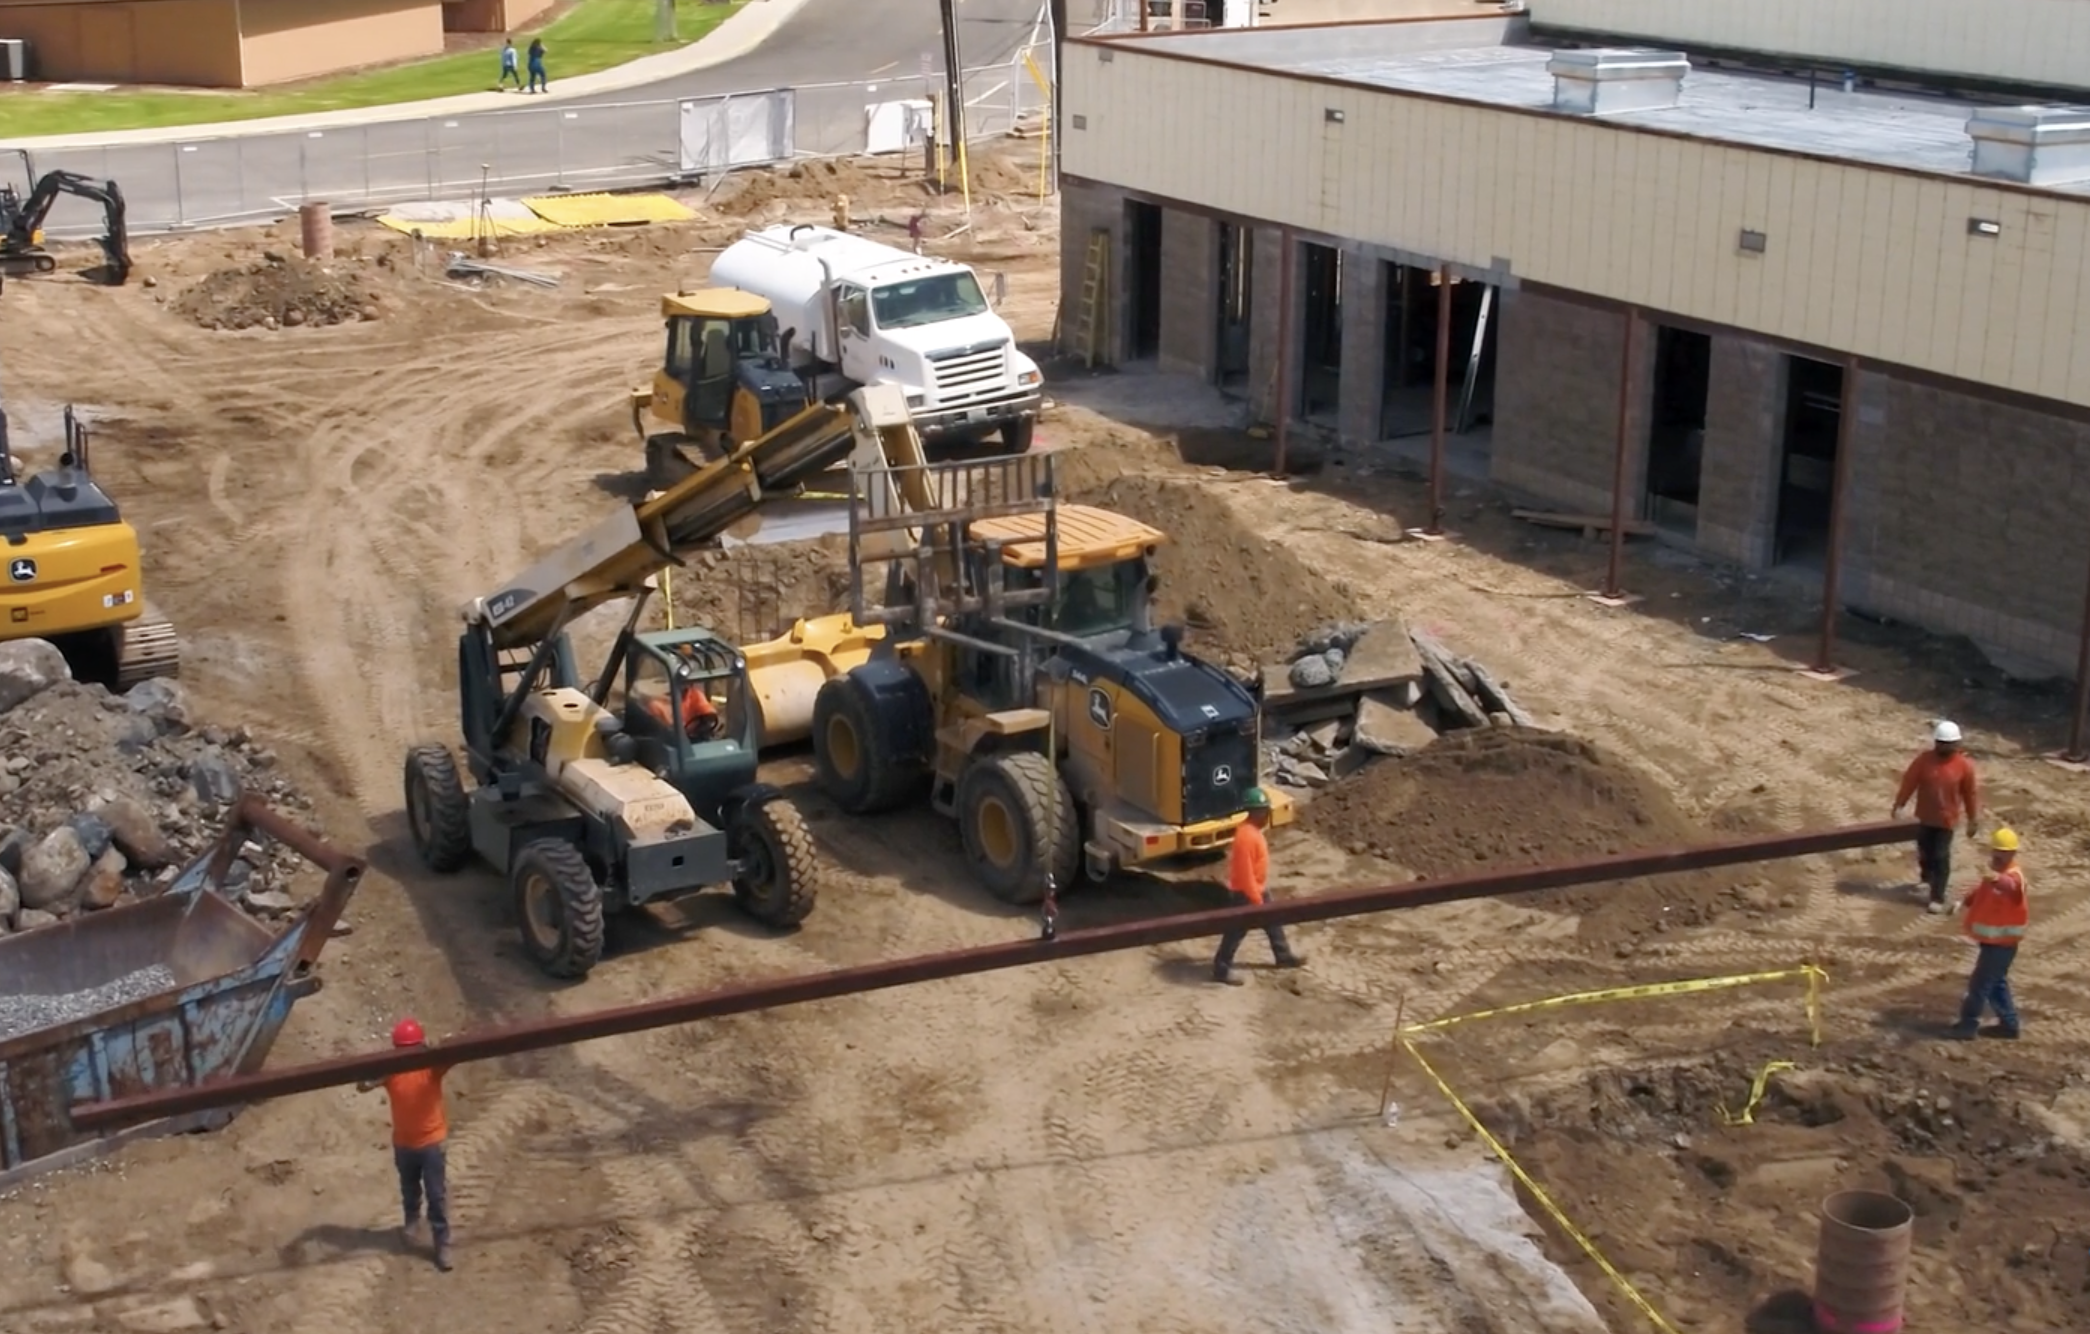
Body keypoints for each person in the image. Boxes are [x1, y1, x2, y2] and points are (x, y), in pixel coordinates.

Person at [356, 1018, 455, 1271]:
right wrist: (379, 1073)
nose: (407, 1055)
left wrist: (438, 1048)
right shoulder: (392, 1072)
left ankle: (442, 1243)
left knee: (436, 1194)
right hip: (404, 1143)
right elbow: (362, 1085)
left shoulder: (431, 1068)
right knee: (409, 1188)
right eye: (403, 1051)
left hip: (431, 1142)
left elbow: (453, 1054)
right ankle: (412, 1220)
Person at [1212, 787, 1306, 985]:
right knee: (1235, 932)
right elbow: (1245, 873)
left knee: (1273, 922)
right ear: (1253, 812)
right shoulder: (1246, 837)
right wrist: (1256, 899)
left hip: (1257, 889)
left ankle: (1283, 956)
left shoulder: (1252, 831)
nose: (1266, 814)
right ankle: (1221, 969)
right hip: (1245, 893)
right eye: (1263, 811)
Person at [1891, 719, 1980, 914]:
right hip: (1924, 817)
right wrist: (1899, 804)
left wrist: (1973, 819)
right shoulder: (1924, 761)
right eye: (1940, 743)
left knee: (1941, 856)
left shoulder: (1963, 766)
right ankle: (1927, 878)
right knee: (1925, 852)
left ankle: (1937, 896)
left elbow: (1970, 793)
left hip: (1946, 821)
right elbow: (1910, 781)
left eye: (1948, 744)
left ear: (1956, 744)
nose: (1943, 747)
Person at [1949, 828, 2027, 1040]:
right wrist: (1962, 902)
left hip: (2003, 944)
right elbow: (1982, 891)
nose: (1998, 855)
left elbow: (2011, 887)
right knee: (1996, 982)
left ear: (2012, 854)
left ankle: (1968, 1025)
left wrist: (1994, 878)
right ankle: (2009, 1025)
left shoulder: (2013, 876)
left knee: (1980, 985)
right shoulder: (1995, 873)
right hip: (1994, 943)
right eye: (1996, 851)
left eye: (2003, 852)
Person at [640, 679, 719, 740]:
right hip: (674, 742)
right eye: (680, 682)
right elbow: (660, 731)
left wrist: (707, 719)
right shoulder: (657, 705)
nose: (684, 686)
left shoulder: (695, 695)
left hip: (696, 737)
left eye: (686, 682)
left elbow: (708, 712)